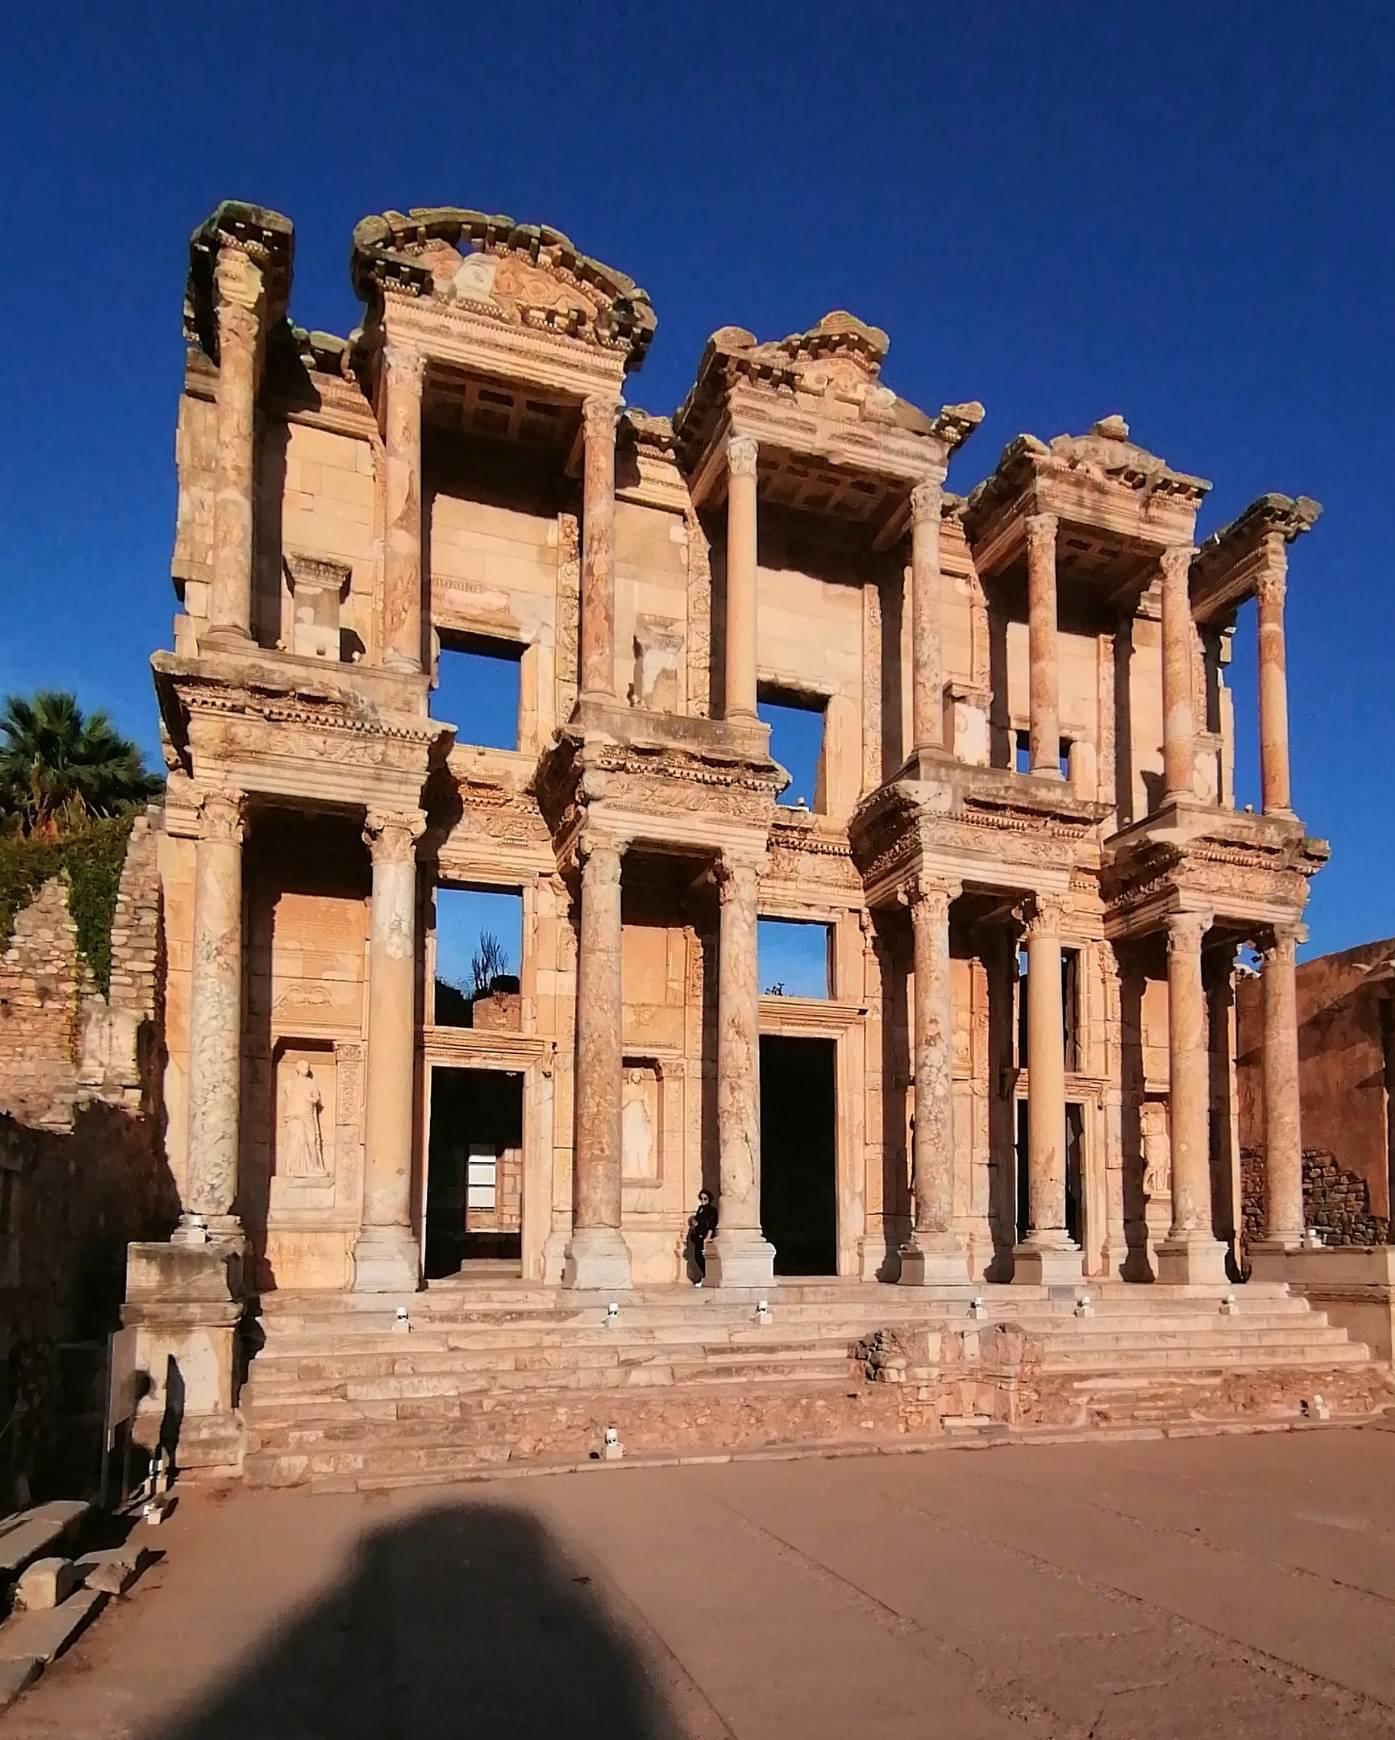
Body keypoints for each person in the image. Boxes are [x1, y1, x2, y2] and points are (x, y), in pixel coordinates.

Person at [688, 1189, 718, 1286]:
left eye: (705, 1198)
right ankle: (704, 1276)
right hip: (698, 1236)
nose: (703, 1201)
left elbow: (711, 1225)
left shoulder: (712, 1210)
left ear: (709, 1199)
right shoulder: (700, 1209)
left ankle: (706, 1276)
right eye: (701, 1199)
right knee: (697, 1257)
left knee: (703, 1257)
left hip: (704, 1236)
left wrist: (708, 1237)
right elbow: (698, 1221)